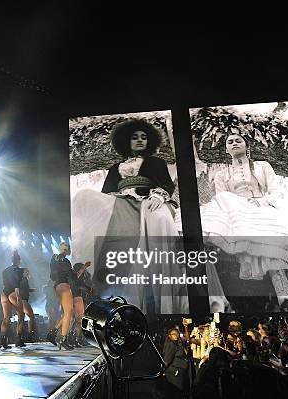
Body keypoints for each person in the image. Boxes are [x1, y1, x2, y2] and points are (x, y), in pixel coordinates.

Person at [71, 118, 188, 314]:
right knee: (84, 196)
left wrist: (159, 194)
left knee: (158, 218)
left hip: (150, 199)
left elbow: (167, 184)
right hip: (121, 201)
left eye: (144, 137)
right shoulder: (115, 168)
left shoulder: (157, 162)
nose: (140, 140)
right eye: (135, 138)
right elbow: (106, 192)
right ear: (127, 141)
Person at [200, 133, 288, 309]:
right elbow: (220, 198)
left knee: (268, 237)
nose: (234, 143)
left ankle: (283, 294)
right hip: (235, 211)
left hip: (260, 207)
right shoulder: (221, 174)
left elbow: (275, 191)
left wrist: (261, 202)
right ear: (226, 149)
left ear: (247, 145)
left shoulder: (263, 166)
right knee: (226, 202)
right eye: (230, 142)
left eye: (238, 140)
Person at [49, 242, 91, 350]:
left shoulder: (66, 262)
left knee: (68, 313)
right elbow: (54, 272)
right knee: (68, 313)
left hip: (64, 285)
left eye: (67, 249)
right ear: (61, 249)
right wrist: (61, 254)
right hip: (62, 285)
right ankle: (62, 339)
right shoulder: (57, 258)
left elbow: (74, 277)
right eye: (64, 249)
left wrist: (84, 267)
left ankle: (53, 333)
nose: (66, 250)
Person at [0, 250, 25, 349]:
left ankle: (3, 340)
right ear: (19, 260)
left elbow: (5, 282)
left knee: (6, 317)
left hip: (4, 293)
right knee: (21, 316)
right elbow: (16, 284)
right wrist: (18, 297)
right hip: (14, 293)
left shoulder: (5, 270)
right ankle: (19, 340)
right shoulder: (19, 270)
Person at [70, 262, 93, 347]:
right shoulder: (74, 276)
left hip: (78, 297)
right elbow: (76, 285)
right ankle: (75, 338)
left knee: (76, 320)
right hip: (76, 297)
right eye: (82, 269)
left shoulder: (83, 277)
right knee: (78, 319)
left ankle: (76, 337)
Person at [163, 328, 189, 398]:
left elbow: (187, 340)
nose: (176, 335)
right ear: (169, 336)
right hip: (175, 372)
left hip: (179, 371)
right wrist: (164, 371)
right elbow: (167, 360)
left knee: (177, 393)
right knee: (176, 393)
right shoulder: (171, 345)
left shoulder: (178, 344)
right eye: (173, 334)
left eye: (177, 334)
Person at [19, 268, 36, 342]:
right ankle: (29, 336)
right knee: (31, 316)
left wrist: (31, 290)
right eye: (26, 272)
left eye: (28, 272)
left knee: (22, 318)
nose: (27, 273)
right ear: (22, 273)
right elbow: (22, 290)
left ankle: (22, 337)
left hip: (22, 300)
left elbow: (24, 289)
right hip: (23, 300)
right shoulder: (23, 280)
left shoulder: (24, 280)